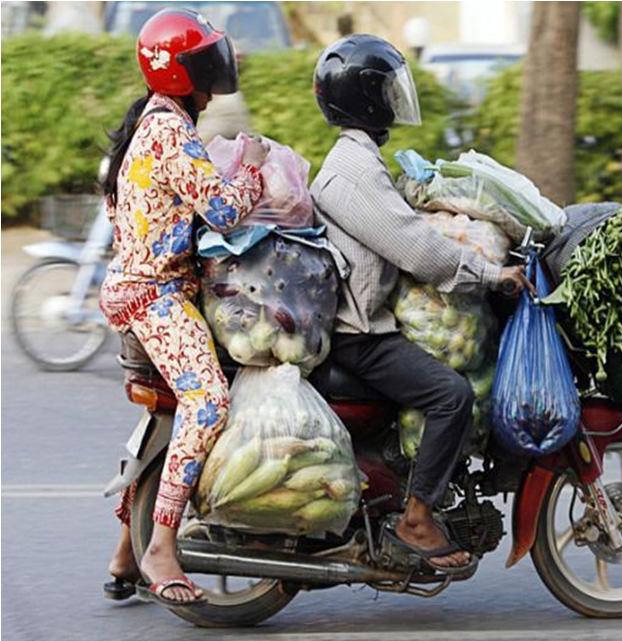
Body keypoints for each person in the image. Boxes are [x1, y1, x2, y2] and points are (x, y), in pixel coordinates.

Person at [310, 34, 531, 573]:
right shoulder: (352, 172)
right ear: (365, 98)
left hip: (365, 322)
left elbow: (403, 227)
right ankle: (416, 517)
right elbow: (415, 247)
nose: (393, 99)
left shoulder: (359, 161)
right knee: (452, 394)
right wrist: (489, 272)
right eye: (385, 89)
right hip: (360, 335)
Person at [99, 8, 268, 607]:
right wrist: (255, 168)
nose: (215, 69)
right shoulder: (169, 130)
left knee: (175, 414)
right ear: (180, 73)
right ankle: (161, 546)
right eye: (203, 60)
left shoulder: (156, 120)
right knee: (208, 402)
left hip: (143, 290)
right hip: (155, 296)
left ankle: (125, 551)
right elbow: (224, 209)